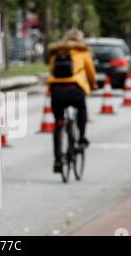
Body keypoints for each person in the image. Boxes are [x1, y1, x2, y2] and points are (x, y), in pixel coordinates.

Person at [46, 29, 97, 173]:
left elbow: (51, 71)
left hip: (56, 91)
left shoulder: (56, 52)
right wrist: (92, 86)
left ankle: (57, 159)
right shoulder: (82, 51)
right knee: (82, 109)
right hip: (75, 90)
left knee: (58, 123)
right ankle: (81, 138)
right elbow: (91, 72)